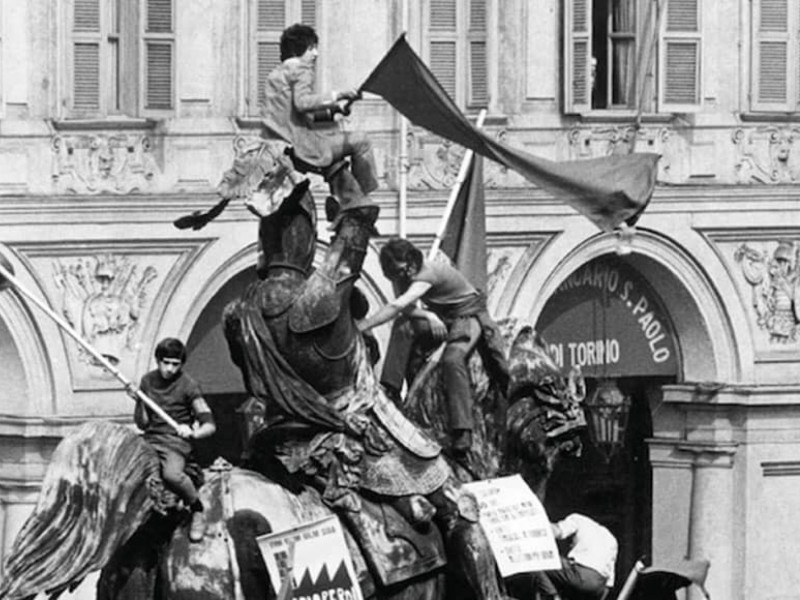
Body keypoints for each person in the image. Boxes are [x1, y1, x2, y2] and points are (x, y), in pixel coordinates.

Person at [357, 238, 509, 454]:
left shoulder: (426, 273)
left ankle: (462, 429)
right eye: (395, 274)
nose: (401, 277)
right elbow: (405, 309)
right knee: (403, 326)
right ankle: (391, 389)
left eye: (402, 270)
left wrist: (363, 326)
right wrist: (428, 315)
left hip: (467, 316)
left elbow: (397, 305)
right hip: (442, 316)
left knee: (452, 360)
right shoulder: (401, 274)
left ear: (410, 261)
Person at [260, 23, 378, 198]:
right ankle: (360, 199)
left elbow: (297, 113)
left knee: (338, 138)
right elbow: (302, 103)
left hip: (281, 147)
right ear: (298, 50)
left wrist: (334, 110)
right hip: (306, 147)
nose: (316, 54)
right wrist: (338, 95)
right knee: (362, 141)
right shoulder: (300, 68)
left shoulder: (274, 75)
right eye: (311, 48)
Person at [133, 337, 217, 543]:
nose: (170, 368)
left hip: (174, 443)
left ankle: (197, 509)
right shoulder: (147, 381)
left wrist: (193, 433)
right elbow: (142, 424)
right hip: (150, 439)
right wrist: (138, 401)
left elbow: (210, 425)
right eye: (166, 363)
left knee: (171, 475)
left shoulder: (189, 385)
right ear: (158, 361)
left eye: (175, 364)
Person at [508, 513, 618, 600]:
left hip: (581, 575)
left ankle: (552, 596)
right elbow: (609, 583)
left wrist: (533, 522)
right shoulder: (611, 539)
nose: (570, 545)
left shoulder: (578, 519)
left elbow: (557, 532)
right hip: (598, 588)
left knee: (538, 558)